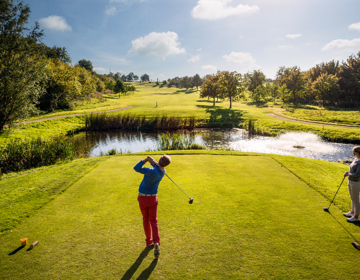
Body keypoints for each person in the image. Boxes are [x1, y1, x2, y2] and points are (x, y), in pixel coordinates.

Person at [133, 155, 171, 258]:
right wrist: (152, 161)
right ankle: (156, 242)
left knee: (146, 219)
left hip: (143, 198)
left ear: (159, 160)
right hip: (153, 198)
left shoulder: (150, 171)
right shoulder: (163, 171)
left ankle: (149, 242)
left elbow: (136, 168)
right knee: (153, 220)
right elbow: (157, 166)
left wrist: (145, 160)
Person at [343, 146, 360, 222]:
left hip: (356, 182)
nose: (352, 152)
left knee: (355, 199)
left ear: (358, 152)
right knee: (352, 197)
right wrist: (348, 173)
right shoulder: (355, 159)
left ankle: (356, 217)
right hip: (351, 181)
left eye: (354, 151)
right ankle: (352, 212)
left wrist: (348, 174)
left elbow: (357, 174)